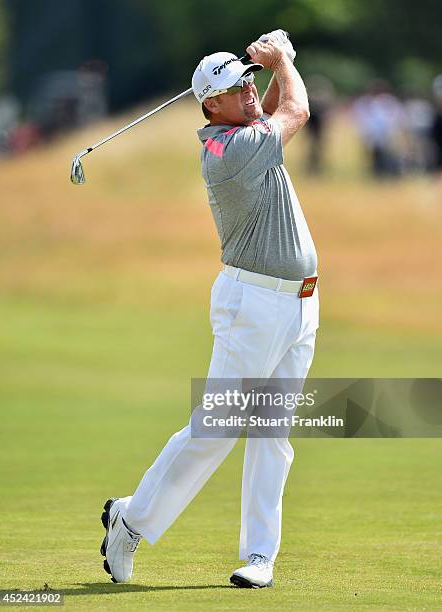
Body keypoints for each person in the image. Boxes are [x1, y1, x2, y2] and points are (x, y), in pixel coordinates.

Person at [100, 30, 319, 589]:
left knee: (274, 433)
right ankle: (131, 519)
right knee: (218, 426)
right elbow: (295, 108)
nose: (249, 93)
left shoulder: (244, 130)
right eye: (235, 89)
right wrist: (283, 61)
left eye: (249, 83)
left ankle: (259, 555)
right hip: (255, 303)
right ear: (210, 105)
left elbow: (269, 110)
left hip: (299, 303)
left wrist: (263, 73)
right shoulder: (230, 151)